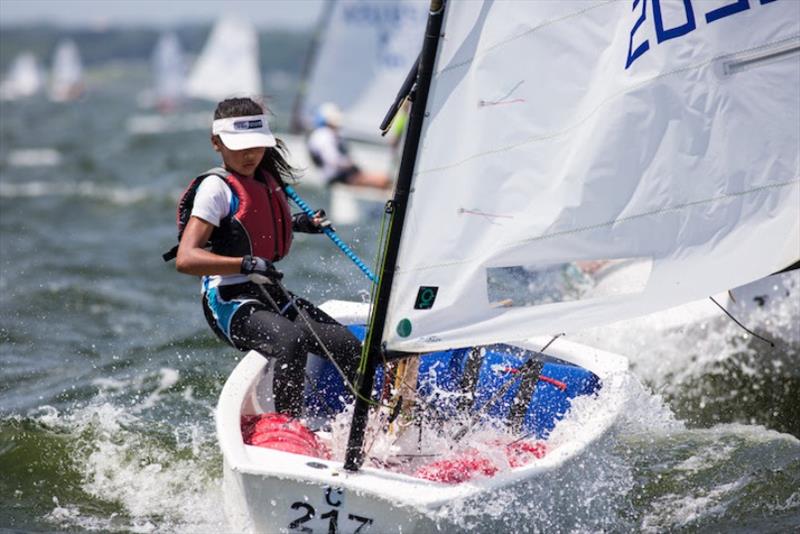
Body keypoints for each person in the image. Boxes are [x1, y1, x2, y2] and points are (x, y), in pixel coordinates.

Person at [172, 97, 362, 418]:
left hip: (269, 292)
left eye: (257, 146)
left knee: (350, 348)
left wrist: (303, 223)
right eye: (240, 146)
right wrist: (243, 264)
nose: (250, 155)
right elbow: (186, 259)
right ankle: (288, 428)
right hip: (230, 299)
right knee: (291, 341)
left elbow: (256, 227)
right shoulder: (215, 189)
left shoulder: (263, 179)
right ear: (216, 143)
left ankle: (354, 424)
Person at [306, 102, 391, 189]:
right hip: (336, 177)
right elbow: (333, 160)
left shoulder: (321, 134)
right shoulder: (324, 135)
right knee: (383, 180)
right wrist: (350, 164)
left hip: (336, 175)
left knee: (382, 178)